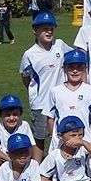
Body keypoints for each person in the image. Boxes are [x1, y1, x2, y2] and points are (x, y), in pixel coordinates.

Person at [19, 11, 72, 153]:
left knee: (62, 134)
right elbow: (25, 77)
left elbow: (74, 58)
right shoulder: (30, 54)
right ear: (35, 30)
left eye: (51, 28)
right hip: (40, 103)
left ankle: (61, 162)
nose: (49, 32)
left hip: (60, 101)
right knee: (39, 138)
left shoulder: (59, 45)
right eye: (44, 29)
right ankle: (37, 164)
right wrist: (35, 91)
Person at [44, 50, 91, 152]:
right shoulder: (55, 91)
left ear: (85, 69)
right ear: (64, 69)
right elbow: (50, 118)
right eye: (71, 67)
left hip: (84, 142)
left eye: (79, 67)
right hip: (61, 143)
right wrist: (55, 136)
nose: (75, 71)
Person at [0, 95, 37, 180]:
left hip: (20, 158)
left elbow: (31, 146)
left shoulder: (24, 125)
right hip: (4, 159)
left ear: (20, 114)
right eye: (7, 115)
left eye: (15, 114)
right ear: (1, 115)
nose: (11, 118)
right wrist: (9, 158)